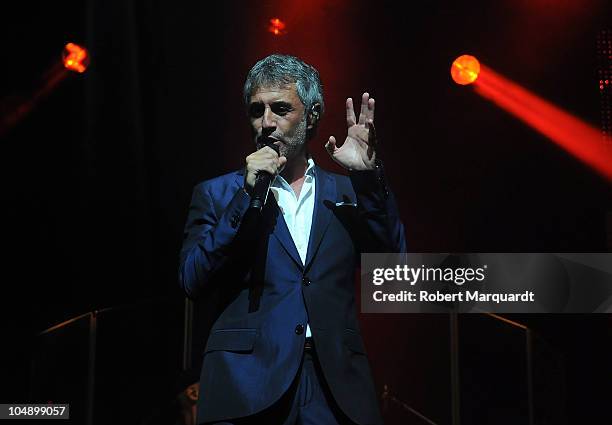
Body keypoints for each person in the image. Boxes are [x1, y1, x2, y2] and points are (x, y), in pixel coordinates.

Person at [179, 54, 406, 425]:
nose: (266, 123)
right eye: (256, 110)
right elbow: (192, 279)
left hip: (334, 388)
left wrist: (367, 180)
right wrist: (246, 197)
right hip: (246, 385)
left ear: (312, 116)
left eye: (280, 108)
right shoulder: (218, 194)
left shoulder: (348, 193)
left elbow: (395, 271)